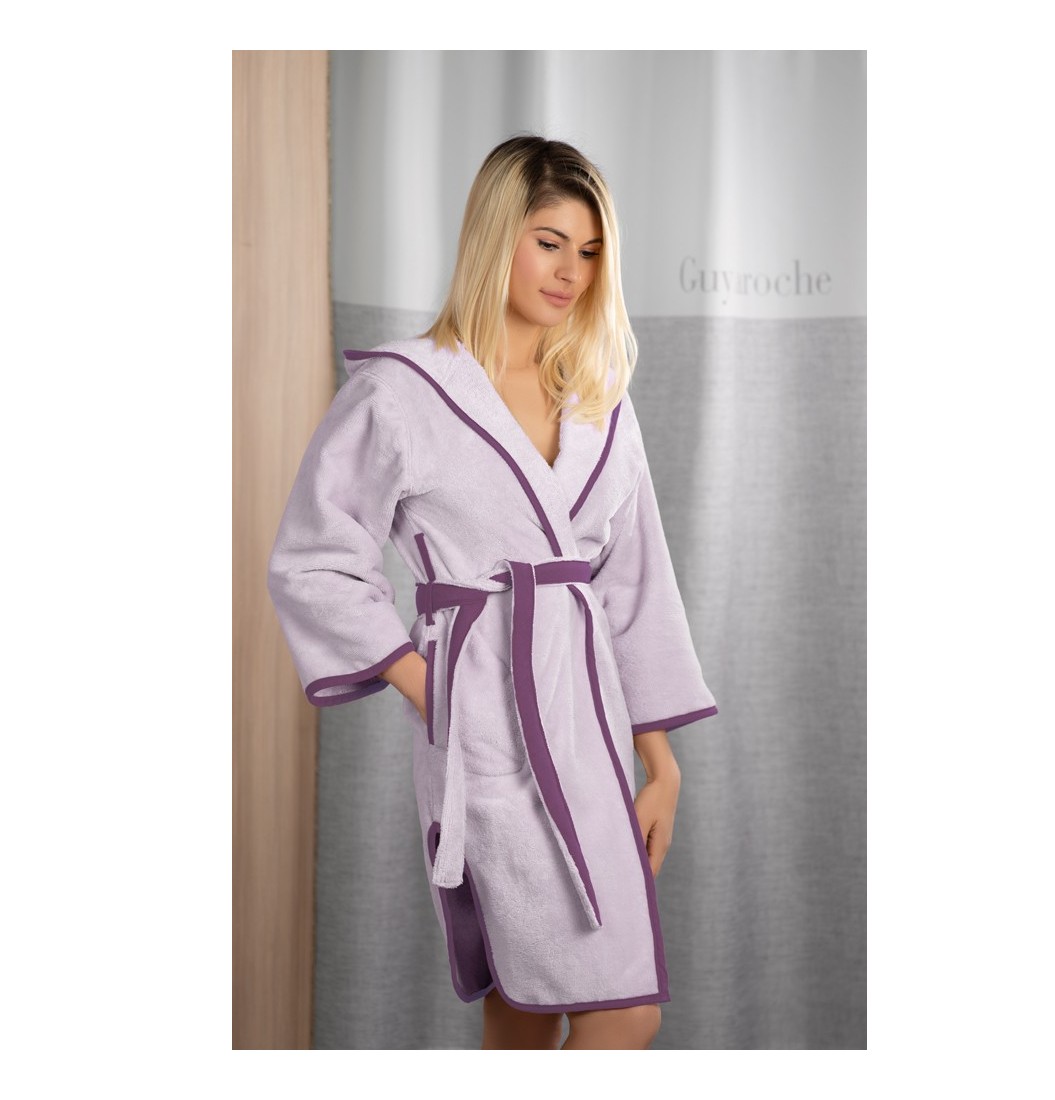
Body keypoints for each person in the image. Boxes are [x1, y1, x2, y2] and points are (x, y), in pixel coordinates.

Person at [267, 135, 718, 1050]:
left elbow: (635, 584)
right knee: (618, 1010)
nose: (571, 272)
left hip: (588, 729)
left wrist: (661, 763)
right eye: (549, 242)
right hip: (481, 732)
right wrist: (433, 691)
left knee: (528, 1001)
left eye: (589, 251)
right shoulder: (403, 391)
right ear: (494, 235)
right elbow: (315, 555)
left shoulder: (599, 399)